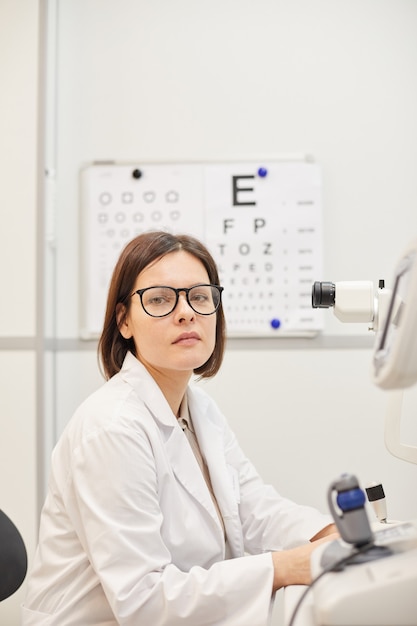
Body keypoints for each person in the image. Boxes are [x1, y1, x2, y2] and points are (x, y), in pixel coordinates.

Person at [22, 230, 336, 625]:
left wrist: (329, 536)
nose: (186, 312)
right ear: (124, 322)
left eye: (200, 297)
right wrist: (282, 568)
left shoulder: (198, 408)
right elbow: (143, 601)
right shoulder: (112, 427)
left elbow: (255, 508)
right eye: (159, 299)